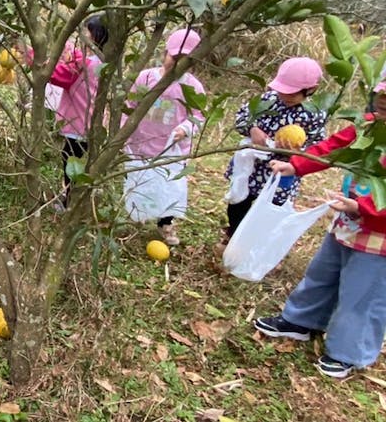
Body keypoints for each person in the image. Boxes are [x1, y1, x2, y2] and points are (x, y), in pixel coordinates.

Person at [254, 83, 386, 379]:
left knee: (364, 293)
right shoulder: (368, 127)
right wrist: (297, 166)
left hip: (380, 232)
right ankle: (302, 320)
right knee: (323, 273)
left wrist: (364, 207)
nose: (382, 103)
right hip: (349, 219)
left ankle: (349, 352)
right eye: (381, 95)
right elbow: (333, 148)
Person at [222, 57, 326, 248]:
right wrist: (252, 129)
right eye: (282, 91)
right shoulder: (266, 100)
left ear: (310, 90)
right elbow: (242, 117)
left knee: (271, 208)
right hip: (253, 165)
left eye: (292, 94)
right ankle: (234, 235)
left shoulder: (314, 114)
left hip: (282, 170)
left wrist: (297, 152)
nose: (285, 96)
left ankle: (257, 243)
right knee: (239, 201)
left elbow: (317, 145)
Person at [123, 28, 205, 245]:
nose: (177, 64)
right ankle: (138, 214)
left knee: (169, 187)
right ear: (164, 53)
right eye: (174, 58)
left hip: (171, 150)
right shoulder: (146, 78)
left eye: (184, 60)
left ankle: (165, 223)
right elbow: (130, 105)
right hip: (142, 143)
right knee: (140, 181)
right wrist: (123, 133)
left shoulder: (193, 87)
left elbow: (198, 116)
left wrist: (186, 128)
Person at [49, 15, 109, 205]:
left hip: (78, 126)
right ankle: (77, 197)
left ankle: (69, 200)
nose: (82, 35)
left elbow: (60, 75)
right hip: (93, 124)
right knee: (81, 162)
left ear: (95, 36)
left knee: (71, 162)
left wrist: (31, 56)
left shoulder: (86, 64)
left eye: (86, 31)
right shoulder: (103, 62)